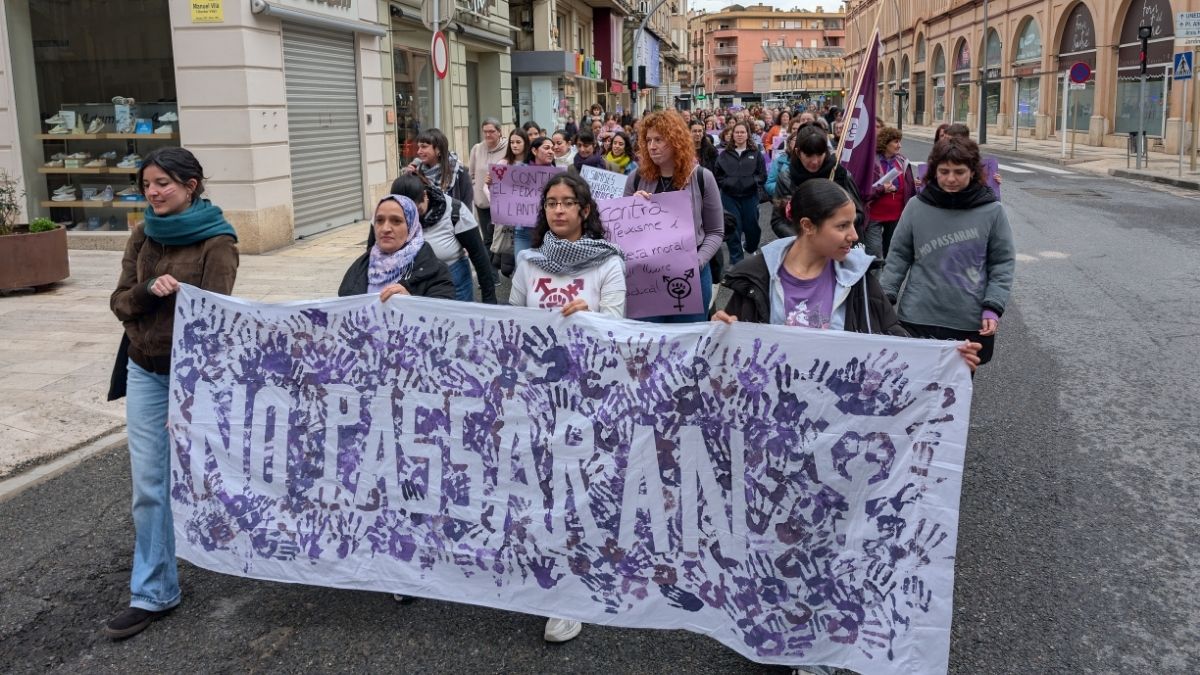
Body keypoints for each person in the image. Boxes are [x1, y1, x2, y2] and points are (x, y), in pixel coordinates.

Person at [106, 147, 240, 639]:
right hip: (144, 370)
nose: (153, 192)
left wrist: (188, 394)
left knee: (216, 476)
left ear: (191, 185)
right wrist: (147, 292)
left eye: (163, 183)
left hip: (192, 378)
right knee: (150, 484)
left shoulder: (218, 242)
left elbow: (219, 323)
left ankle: (251, 553)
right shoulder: (143, 234)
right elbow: (120, 302)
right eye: (147, 184)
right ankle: (154, 591)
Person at [714, 179, 981, 368]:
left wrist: (946, 359)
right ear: (808, 226)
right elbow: (729, 355)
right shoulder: (756, 278)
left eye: (853, 224)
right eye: (842, 226)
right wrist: (719, 330)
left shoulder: (860, 280)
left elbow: (895, 340)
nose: (853, 236)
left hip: (838, 421)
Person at [880, 137, 1015, 367]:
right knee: (911, 389)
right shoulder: (916, 206)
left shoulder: (992, 211)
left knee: (955, 394)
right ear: (934, 171)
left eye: (959, 171)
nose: (951, 178)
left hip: (967, 319)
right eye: (944, 171)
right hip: (917, 315)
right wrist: (885, 298)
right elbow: (898, 256)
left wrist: (993, 307)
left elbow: (1002, 263)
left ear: (972, 172)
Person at [624, 110, 725, 322]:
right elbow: (623, 234)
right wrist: (632, 208)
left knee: (687, 343)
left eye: (659, 140)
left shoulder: (702, 177)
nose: (652, 146)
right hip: (646, 276)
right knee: (648, 344)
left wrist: (697, 261)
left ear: (676, 140)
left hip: (691, 274)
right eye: (648, 140)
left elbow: (715, 231)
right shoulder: (635, 178)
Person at [511, 172, 626, 319]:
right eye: (551, 203)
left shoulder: (609, 264)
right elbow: (513, 321)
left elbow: (614, 329)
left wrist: (588, 318)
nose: (558, 210)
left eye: (568, 203)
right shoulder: (528, 262)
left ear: (585, 211)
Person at [389, 174, 497, 304]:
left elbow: (479, 257)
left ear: (425, 196)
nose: (413, 216)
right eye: (405, 212)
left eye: (417, 210)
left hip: (455, 286)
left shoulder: (455, 212)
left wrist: (489, 301)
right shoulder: (386, 215)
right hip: (409, 286)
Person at [338, 194, 455, 300]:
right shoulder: (361, 267)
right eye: (379, 220)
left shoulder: (435, 271)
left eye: (396, 221)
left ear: (411, 227)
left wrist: (411, 302)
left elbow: (443, 316)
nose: (385, 229)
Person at [771, 125, 865, 240]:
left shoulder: (839, 174)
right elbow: (778, 221)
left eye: (820, 154)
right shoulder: (787, 178)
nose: (815, 161)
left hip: (839, 245)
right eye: (809, 155)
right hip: (804, 249)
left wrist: (837, 225)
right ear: (798, 152)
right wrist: (804, 240)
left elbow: (859, 214)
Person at [715, 121, 767, 265]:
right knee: (733, 228)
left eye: (742, 132)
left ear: (747, 135)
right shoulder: (724, 155)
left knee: (752, 227)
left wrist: (752, 182)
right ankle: (736, 261)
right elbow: (718, 174)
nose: (739, 135)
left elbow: (762, 175)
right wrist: (727, 183)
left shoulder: (756, 154)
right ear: (732, 135)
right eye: (737, 132)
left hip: (750, 196)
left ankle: (750, 246)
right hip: (729, 197)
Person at [865, 126, 916, 261]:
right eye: (895, 142)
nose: (899, 145)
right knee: (875, 254)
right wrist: (882, 189)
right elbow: (863, 190)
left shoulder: (902, 161)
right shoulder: (871, 162)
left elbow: (909, 188)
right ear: (885, 142)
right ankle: (875, 281)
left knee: (892, 252)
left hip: (896, 215)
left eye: (899, 141)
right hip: (873, 214)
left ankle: (886, 281)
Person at [487, 129, 531, 278]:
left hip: (529, 219)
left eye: (518, 142)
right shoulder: (503, 163)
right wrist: (490, 184)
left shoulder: (533, 163)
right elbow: (495, 192)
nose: (514, 145)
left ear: (526, 143)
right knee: (510, 264)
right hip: (509, 218)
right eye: (512, 142)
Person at [404, 128, 473, 206]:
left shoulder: (459, 173)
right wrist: (409, 178)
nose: (419, 151)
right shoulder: (417, 172)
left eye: (424, 147)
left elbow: (466, 208)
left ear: (438, 149)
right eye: (419, 147)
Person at [467, 117, 507, 248]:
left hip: (503, 202)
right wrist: (476, 190)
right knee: (488, 239)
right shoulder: (477, 149)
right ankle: (491, 268)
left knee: (503, 238)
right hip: (483, 202)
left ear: (499, 132)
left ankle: (504, 267)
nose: (488, 135)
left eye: (491, 131)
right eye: (485, 131)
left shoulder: (508, 148)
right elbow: (471, 174)